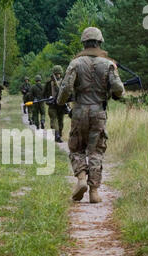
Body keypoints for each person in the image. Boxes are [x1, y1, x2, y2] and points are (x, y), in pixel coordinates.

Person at [57, 27, 124, 203]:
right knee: (96, 151)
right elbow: (119, 89)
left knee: (76, 147)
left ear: (84, 43)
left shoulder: (75, 64)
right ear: (100, 42)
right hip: (98, 112)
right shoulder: (108, 64)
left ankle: (80, 179)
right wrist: (113, 94)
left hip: (79, 111)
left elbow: (65, 89)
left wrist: (61, 101)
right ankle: (94, 192)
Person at [43, 65, 65, 143]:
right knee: (58, 120)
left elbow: (44, 93)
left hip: (55, 105)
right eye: (58, 73)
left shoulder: (49, 83)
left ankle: (57, 135)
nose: (58, 75)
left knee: (55, 120)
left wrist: (47, 99)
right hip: (59, 105)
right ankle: (58, 135)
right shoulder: (64, 82)